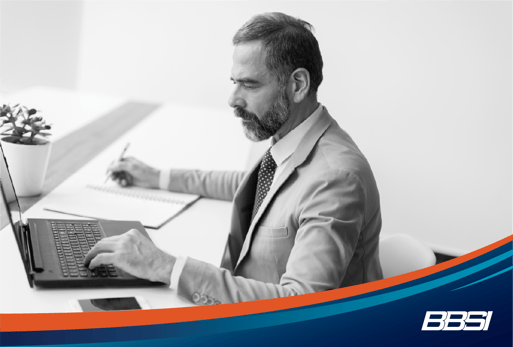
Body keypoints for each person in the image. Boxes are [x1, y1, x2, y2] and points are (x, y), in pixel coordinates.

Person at [84, 12, 383, 305]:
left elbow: (301, 302)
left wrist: (166, 267)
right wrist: (157, 177)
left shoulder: (335, 178)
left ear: (298, 85)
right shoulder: (294, 139)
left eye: (250, 85)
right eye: (234, 82)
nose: (233, 99)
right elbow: (258, 188)